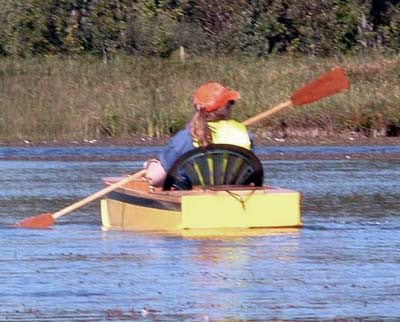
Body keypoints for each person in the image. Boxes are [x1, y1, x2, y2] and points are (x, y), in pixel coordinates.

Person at [145, 82, 252, 187]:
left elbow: (155, 179)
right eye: (231, 103)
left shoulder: (186, 137)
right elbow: (250, 172)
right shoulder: (244, 133)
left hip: (195, 199)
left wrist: (151, 165)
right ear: (227, 108)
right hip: (236, 196)